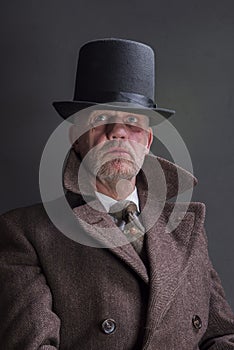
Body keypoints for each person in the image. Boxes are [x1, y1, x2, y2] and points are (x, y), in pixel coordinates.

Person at [0, 38, 234, 350]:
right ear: (76, 138)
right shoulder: (24, 233)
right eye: (101, 120)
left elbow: (220, 337)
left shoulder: (186, 228)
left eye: (133, 123)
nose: (118, 132)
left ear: (147, 142)